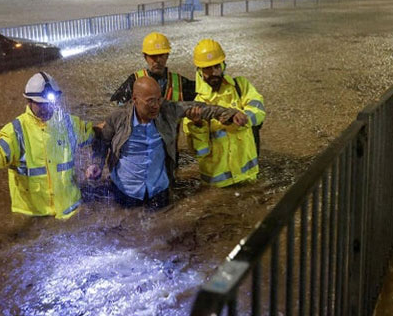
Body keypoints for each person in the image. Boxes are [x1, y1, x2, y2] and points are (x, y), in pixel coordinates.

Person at [90, 76, 239, 208]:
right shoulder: (118, 117)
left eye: (158, 99)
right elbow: (102, 142)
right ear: (135, 99)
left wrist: (230, 114)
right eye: (150, 101)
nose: (156, 105)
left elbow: (200, 107)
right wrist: (96, 163)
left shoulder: (167, 110)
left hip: (158, 190)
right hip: (126, 191)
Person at [0, 72, 94, 219]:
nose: (47, 108)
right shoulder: (16, 131)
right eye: (41, 104)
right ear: (29, 101)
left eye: (50, 103)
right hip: (34, 216)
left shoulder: (68, 123)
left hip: (71, 210)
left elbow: (95, 133)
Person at [183, 38, 266, 188]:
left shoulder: (241, 86)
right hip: (218, 186)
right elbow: (199, 152)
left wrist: (244, 117)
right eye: (207, 68)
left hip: (248, 176)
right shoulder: (196, 105)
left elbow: (259, 110)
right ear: (200, 71)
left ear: (223, 65)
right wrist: (197, 125)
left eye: (216, 66)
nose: (213, 72)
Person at [110, 32, 197, 170]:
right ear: (145, 57)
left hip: (169, 154)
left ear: (167, 56)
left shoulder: (180, 83)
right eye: (153, 56)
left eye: (161, 55)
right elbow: (118, 116)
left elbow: (206, 94)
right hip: (140, 153)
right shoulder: (134, 82)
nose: (157, 60)